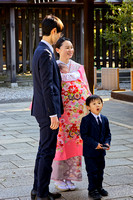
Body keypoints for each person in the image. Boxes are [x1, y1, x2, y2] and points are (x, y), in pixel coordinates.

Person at [51, 37, 91, 191]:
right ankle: (59, 178)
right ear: (58, 50)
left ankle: (70, 177)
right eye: (66, 47)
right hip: (62, 114)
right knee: (61, 145)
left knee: (75, 145)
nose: (70, 50)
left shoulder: (78, 67)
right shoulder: (53, 66)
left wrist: (90, 107)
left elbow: (86, 88)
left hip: (77, 116)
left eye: (71, 47)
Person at [30, 15, 64, 200]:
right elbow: (47, 86)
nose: (59, 37)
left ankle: (38, 189)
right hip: (47, 112)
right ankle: (42, 193)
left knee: (43, 150)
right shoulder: (46, 52)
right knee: (47, 152)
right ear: (53, 31)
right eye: (59, 34)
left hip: (42, 109)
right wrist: (53, 115)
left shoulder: (40, 50)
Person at [80, 95, 111, 200]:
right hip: (90, 152)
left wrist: (107, 143)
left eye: (99, 103)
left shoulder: (104, 119)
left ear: (102, 104)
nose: (97, 105)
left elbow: (108, 134)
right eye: (94, 104)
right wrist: (95, 144)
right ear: (88, 107)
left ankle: (99, 187)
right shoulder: (86, 120)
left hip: (101, 151)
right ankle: (92, 189)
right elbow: (84, 135)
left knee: (100, 170)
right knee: (92, 171)